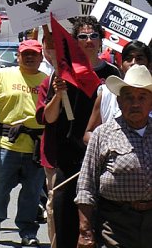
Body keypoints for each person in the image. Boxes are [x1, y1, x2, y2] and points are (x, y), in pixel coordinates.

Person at [36, 17, 120, 248]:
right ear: (74, 42)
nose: (89, 40)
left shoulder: (113, 75)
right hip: (68, 160)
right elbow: (49, 119)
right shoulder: (60, 74)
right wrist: (57, 94)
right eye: (82, 36)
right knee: (65, 222)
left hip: (103, 160)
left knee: (97, 226)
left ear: (101, 41)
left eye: (94, 35)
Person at [0, 38, 46, 247]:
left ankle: (28, 231)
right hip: (8, 145)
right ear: (18, 56)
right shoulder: (5, 75)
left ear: (41, 57)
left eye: (34, 54)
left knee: (32, 192)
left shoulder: (47, 80)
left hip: (36, 146)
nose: (29, 57)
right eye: (25, 54)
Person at [75, 64, 152, 248]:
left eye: (142, 97)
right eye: (129, 97)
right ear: (118, 101)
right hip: (115, 223)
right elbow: (86, 186)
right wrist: (85, 230)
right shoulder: (103, 134)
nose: (135, 104)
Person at [84, 39, 152, 140]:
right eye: (128, 59)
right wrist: (109, 142)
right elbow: (88, 134)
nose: (133, 63)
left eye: (139, 59)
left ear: (149, 65)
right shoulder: (106, 94)